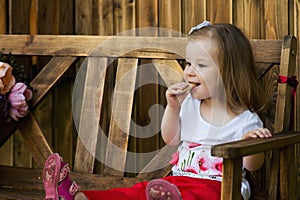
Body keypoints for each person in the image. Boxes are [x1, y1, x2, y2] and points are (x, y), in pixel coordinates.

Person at [43, 22, 272, 200]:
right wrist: (173, 107)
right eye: (188, 63)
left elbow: (252, 166)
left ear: (228, 73)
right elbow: (170, 138)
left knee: (196, 196)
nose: (189, 72)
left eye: (200, 66)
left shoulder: (245, 120)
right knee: (136, 191)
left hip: (221, 189)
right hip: (178, 181)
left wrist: (250, 142)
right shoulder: (190, 105)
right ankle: (78, 196)